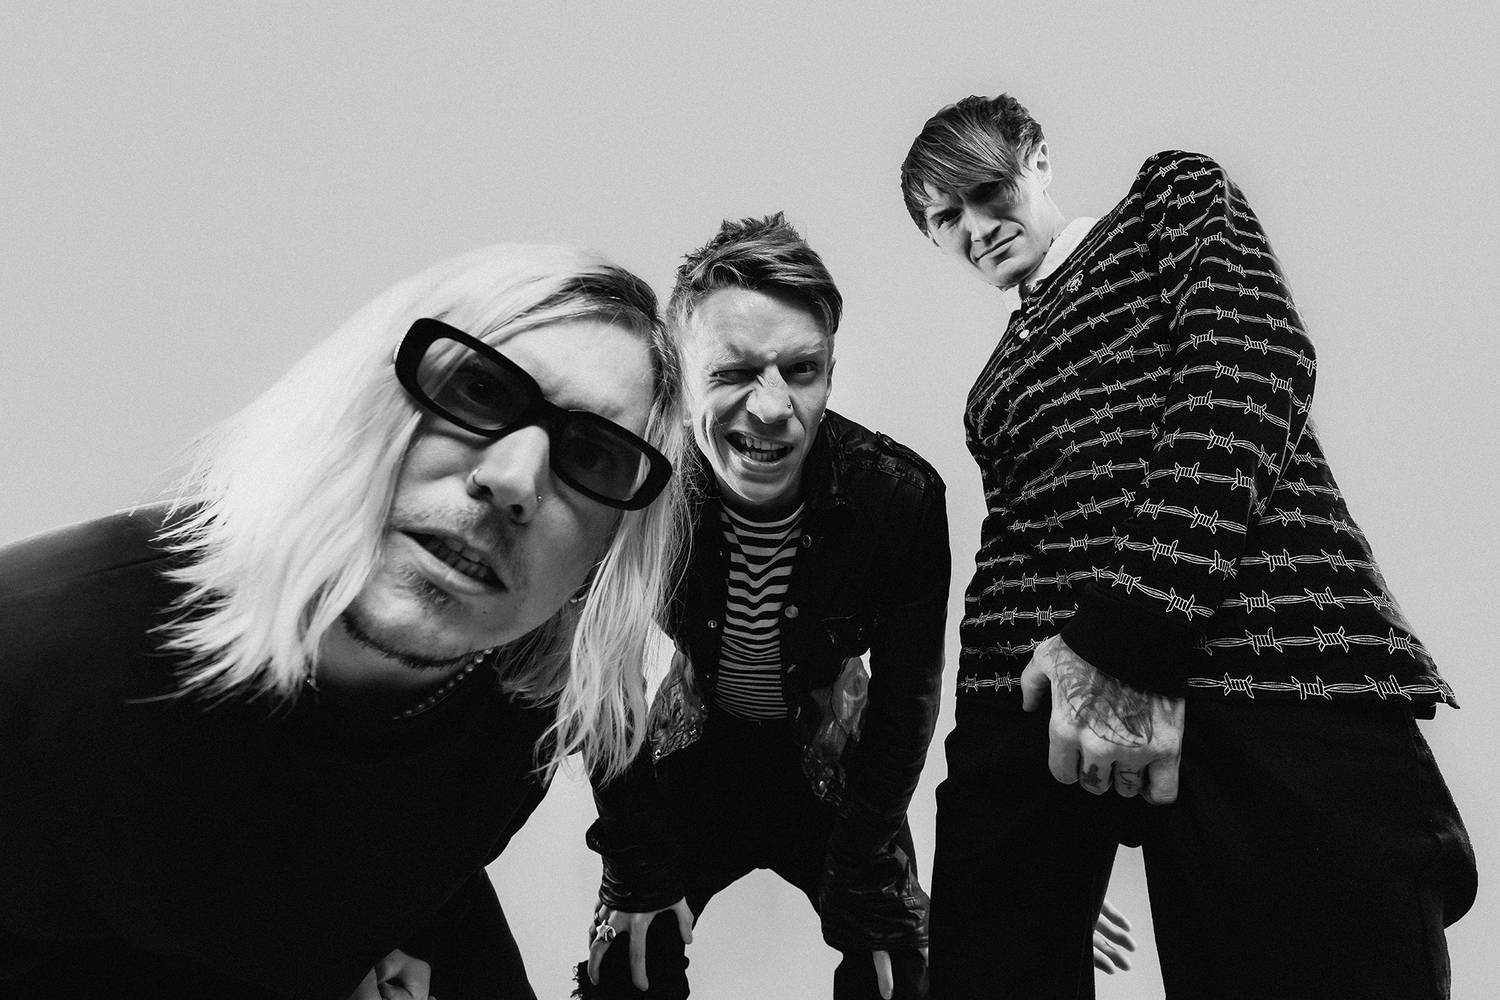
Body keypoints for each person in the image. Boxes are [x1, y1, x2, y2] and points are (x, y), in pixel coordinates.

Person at [899, 94, 1478, 999]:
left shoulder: (1166, 200)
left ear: (1036, 159)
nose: (975, 228)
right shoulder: (992, 386)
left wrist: (1120, 639)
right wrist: (1002, 783)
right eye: (946, 219)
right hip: (1047, 718)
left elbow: (1249, 366)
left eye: (987, 192)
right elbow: (1009, 559)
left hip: (1268, 669)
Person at [0, 244, 688, 1000]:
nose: (512, 479)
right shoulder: (41, 653)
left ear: (603, 556)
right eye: (480, 389)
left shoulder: (525, 701)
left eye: (593, 456)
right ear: (363, 401)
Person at [573, 214, 949, 999]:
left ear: (830, 373)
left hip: (832, 761)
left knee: (898, 974)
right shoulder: (635, 484)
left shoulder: (900, 498)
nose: (773, 409)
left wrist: (868, 866)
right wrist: (636, 863)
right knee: (628, 965)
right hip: (696, 748)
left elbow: (906, 701)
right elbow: (600, 676)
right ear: (679, 378)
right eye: (734, 372)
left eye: (801, 370)